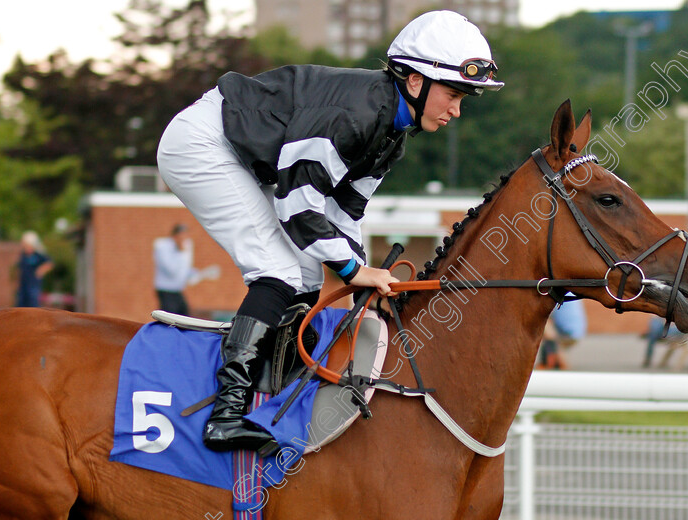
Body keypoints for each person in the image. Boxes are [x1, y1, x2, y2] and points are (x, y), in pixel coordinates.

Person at [155, 10, 503, 451]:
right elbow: (297, 203)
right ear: (415, 82)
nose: (456, 109)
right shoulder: (355, 114)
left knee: (304, 273)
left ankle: (268, 389)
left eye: (463, 99)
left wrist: (362, 281)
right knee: (279, 271)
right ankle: (226, 413)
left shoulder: (392, 133)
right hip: (204, 144)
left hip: (246, 156)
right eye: (453, 94)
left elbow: (342, 215)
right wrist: (354, 271)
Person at [153, 223, 197, 316]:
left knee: (184, 315)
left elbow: (185, 267)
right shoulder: (162, 247)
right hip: (166, 289)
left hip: (178, 289)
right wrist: (180, 252)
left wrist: (193, 274)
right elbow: (171, 270)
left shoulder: (187, 245)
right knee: (169, 318)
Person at [539, 298, 586, 370]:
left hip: (566, 334)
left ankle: (552, 361)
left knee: (543, 322)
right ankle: (554, 360)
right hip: (578, 331)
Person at [14, 231, 54, 307]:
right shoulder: (23, 255)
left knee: (32, 303)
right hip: (23, 284)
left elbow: (49, 263)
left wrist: (41, 270)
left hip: (33, 284)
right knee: (21, 304)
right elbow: (19, 268)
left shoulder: (39, 255)